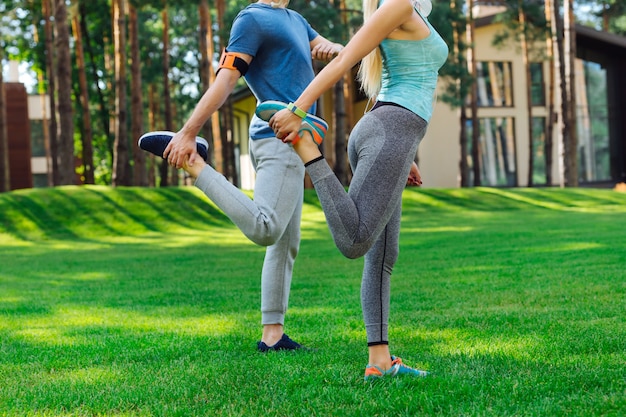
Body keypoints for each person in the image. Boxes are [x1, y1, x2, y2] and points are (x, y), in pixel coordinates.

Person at [258, 0, 447, 379]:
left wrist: (403, 154)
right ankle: (308, 147)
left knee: (382, 255)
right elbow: (344, 61)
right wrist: (299, 108)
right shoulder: (398, 5)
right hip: (390, 130)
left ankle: (379, 361)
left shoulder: (410, 10)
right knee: (355, 241)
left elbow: (395, 83)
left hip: (389, 132)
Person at [138, 0, 342, 351]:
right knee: (266, 228)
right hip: (278, 135)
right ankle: (195, 164)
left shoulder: (296, 20)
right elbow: (226, 79)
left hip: (299, 137)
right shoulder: (251, 19)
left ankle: (273, 335)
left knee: (285, 243)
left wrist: (334, 49)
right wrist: (188, 132)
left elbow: (332, 51)